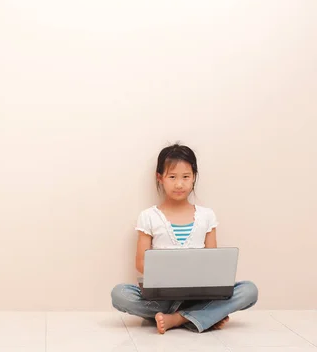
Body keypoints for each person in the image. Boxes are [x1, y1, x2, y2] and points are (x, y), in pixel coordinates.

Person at [110, 143, 258, 334]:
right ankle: (203, 316)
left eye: (186, 177)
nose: (179, 184)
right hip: (162, 296)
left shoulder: (207, 216)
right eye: (172, 177)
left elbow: (213, 263)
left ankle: (177, 318)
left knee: (249, 290)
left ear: (194, 177)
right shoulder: (148, 216)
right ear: (160, 178)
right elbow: (140, 263)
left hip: (199, 295)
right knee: (119, 294)